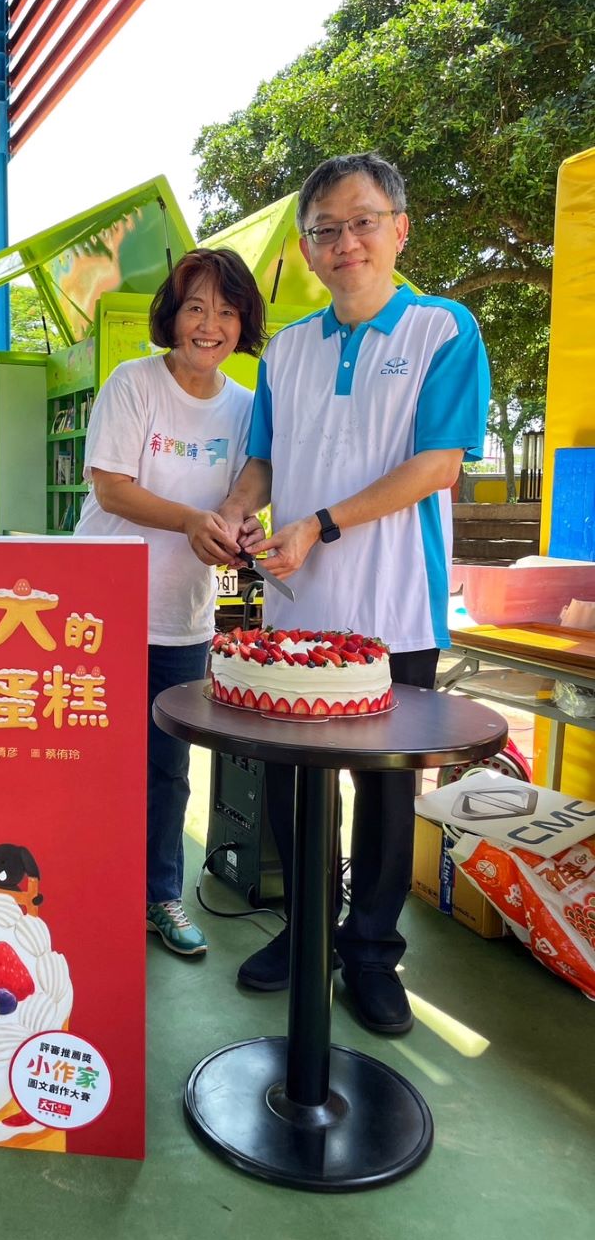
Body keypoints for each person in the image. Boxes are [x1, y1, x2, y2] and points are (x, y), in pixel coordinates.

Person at [219, 152, 490, 1030]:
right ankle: (307, 932)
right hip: (297, 606)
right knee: (295, 783)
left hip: (394, 607)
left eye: (363, 222)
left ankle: (371, 952)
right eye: (326, 229)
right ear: (307, 248)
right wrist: (236, 513)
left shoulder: (443, 330)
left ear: (399, 229)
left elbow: (437, 465)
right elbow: (262, 461)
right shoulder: (287, 351)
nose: (346, 243)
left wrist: (321, 524)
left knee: (384, 791)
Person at [75, 248, 266, 955]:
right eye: (195, 308)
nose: (209, 325)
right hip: (102, 611)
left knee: (168, 769)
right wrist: (190, 521)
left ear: (242, 324)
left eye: (226, 311)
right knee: (92, 760)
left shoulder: (245, 407)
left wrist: (238, 526)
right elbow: (111, 488)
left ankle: (161, 895)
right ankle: (83, 889)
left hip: (182, 618)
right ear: (172, 315)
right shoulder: (133, 384)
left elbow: (248, 487)